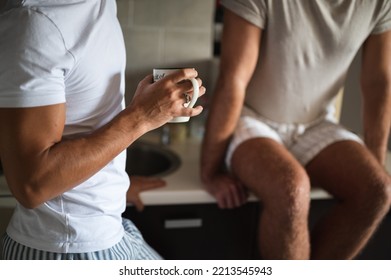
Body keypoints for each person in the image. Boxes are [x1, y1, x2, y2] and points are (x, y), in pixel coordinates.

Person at [0, 0, 205, 260]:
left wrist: (112, 185)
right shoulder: (36, 22)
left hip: (104, 230)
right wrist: (143, 116)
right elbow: (33, 184)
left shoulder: (100, 5)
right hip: (68, 249)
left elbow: (83, 120)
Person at [201, 0, 391, 260]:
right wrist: (210, 172)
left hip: (318, 122)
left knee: (378, 191)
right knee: (291, 190)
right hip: (252, 118)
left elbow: (378, 83)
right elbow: (233, 78)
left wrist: (375, 161)